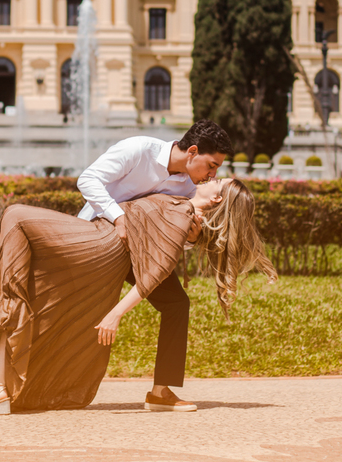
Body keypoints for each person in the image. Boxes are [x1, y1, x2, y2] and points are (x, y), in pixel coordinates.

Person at [0, 177, 276, 415]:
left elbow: (156, 271)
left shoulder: (184, 213)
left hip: (101, 243)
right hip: (106, 240)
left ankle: (2, 307)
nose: (209, 177)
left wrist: (115, 314)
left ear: (217, 197)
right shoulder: (183, 201)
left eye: (216, 180)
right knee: (24, 245)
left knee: (16, 215)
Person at [76, 119, 232, 411]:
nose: (213, 174)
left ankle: (161, 392)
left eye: (217, 169)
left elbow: (170, 234)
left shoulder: (188, 186)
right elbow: (87, 179)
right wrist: (117, 216)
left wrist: (190, 238)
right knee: (74, 312)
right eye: (212, 165)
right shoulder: (138, 150)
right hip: (98, 240)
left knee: (176, 304)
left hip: (139, 254)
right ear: (193, 151)